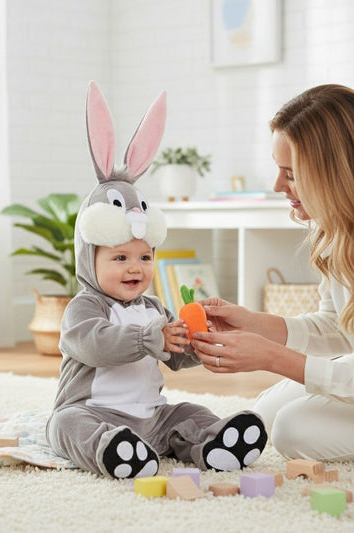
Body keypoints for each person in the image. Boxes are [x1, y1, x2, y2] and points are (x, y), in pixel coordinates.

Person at [45, 81, 267, 479]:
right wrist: (151, 338)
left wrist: (196, 341)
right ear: (89, 259)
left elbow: (174, 357)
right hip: (94, 412)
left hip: (152, 417)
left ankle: (217, 443)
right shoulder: (84, 307)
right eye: (120, 258)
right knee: (64, 425)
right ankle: (113, 451)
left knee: (189, 412)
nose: (136, 268)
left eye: (145, 257)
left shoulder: (154, 308)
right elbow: (95, 345)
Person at [191, 84, 354, 463]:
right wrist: (253, 323)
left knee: (293, 430)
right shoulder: (336, 232)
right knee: (262, 415)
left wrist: (273, 358)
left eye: (291, 174)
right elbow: (337, 327)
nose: (278, 186)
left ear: (336, 174)